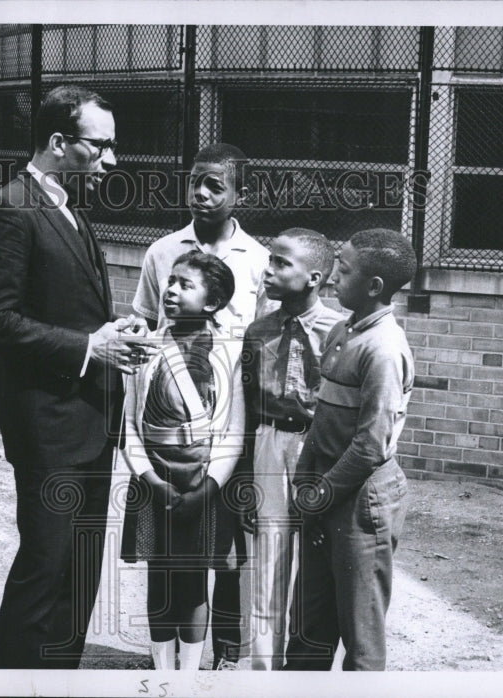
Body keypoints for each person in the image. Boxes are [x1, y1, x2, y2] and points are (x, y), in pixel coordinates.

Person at [0, 85, 150, 669]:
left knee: (79, 576)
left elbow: (65, 309)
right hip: (49, 430)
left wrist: (113, 332)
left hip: (90, 425)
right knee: (46, 571)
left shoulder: (71, 209)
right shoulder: (9, 208)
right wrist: (87, 347)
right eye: (100, 147)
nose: (111, 161)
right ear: (56, 143)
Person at [131, 142, 277, 669]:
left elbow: (267, 343)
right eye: (194, 181)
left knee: (227, 550)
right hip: (173, 425)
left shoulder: (261, 261)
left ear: (242, 193)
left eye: (215, 184)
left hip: (231, 421)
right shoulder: (163, 251)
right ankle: (170, 664)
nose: (200, 193)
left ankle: (226, 654)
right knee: (172, 549)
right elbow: (146, 329)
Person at [284, 228, 416, 671]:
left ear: (374, 286)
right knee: (307, 626)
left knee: (360, 639)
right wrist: (306, 485)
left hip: (361, 500)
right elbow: (322, 423)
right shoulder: (343, 330)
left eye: (343, 269)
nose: (331, 278)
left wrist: (321, 493)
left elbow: (370, 445)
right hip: (327, 488)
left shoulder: (382, 348)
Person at [119, 251, 245, 671]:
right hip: (154, 480)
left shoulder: (228, 352)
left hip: (204, 484)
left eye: (185, 285)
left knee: (193, 584)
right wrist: (151, 478)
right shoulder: (148, 347)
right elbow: (130, 426)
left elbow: (232, 434)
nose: (170, 290)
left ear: (212, 303)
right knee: (159, 579)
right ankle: (162, 673)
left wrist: (208, 488)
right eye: (170, 281)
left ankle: (188, 678)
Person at [237, 228, 342, 670]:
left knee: (317, 561)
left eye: (282, 263)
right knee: (268, 559)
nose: (269, 270)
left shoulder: (338, 330)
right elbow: (245, 403)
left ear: (314, 276)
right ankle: (263, 674)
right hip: (269, 441)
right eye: (270, 261)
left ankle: (306, 671)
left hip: (315, 447)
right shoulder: (259, 330)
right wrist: (244, 471)